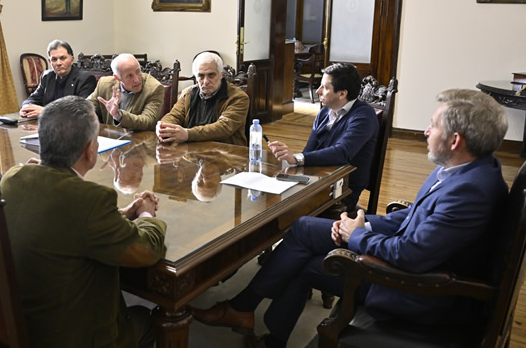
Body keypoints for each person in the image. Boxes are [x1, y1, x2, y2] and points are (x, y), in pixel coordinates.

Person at [192, 89, 510, 348]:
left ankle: (252, 319)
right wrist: (362, 225)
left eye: (433, 125)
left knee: (304, 263)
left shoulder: (469, 192)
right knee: (303, 229)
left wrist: (356, 237)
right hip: (414, 258)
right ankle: (247, 313)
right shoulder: (463, 168)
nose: (425, 131)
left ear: (455, 141)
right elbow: (413, 218)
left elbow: (411, 255)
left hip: (423, 293)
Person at [0, 96, 167, 347]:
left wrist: (120, 214)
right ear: (91, 150)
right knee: (150, 318)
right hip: (72, 337)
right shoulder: (90, 200)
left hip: (18, 324)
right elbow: (146, 251)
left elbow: (64, 222)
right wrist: (146, 214)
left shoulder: (12, 178)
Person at [268, 63, 378, 211]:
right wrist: (291, 159)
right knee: (271, 197)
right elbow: (309, 150)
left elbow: (342, 152)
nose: (318, 91)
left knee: (283, 209)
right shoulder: (324, 113)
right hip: (316, 181)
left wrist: (297, 158)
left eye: (325, 88)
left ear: (342, 94)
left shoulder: (364, 116)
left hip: (342, 190)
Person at [157, 51, 249, 146]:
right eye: (201, 76)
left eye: (211, 75)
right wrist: (164, 127)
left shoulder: (238, 97)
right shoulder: (188, 94)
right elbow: (173, 116)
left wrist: (187, 134)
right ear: (196, 77)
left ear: (221, 74)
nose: (206, 81)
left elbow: (223, 128)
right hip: (191, 153)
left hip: (226, 154)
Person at [19, 39, 96, 118]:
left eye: (63, 58)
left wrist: (46, 111)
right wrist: (26, 107)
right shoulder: (47, 76)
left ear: (72, 60)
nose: (58, 63)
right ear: (49, 61)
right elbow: (33, 99)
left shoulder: (85, 78)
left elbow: (82, 110)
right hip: (48, 125)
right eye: (54, 59)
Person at [87, 53, 165, 131]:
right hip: (110, 138)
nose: (137, 80)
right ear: (117, 78)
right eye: (129, 76)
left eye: (138, 72)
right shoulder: (104, 84)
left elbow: (148, 121)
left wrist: (118, 115)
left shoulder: (154, 88)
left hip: (140, 140)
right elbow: (86, 107)